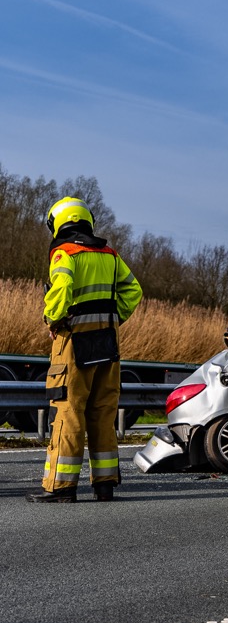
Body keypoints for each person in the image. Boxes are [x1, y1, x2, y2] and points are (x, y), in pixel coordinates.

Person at [28, 197, 143, 503]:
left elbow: (62, 288)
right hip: (108, 341)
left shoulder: (64, 252)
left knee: (68, 410)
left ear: (59, 223)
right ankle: (104, 485)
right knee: (103, 412)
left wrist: (53, 317)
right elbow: (134, 290)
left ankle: (61, 487)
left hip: (73, 342)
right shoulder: (110, 254)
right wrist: (113, 316)